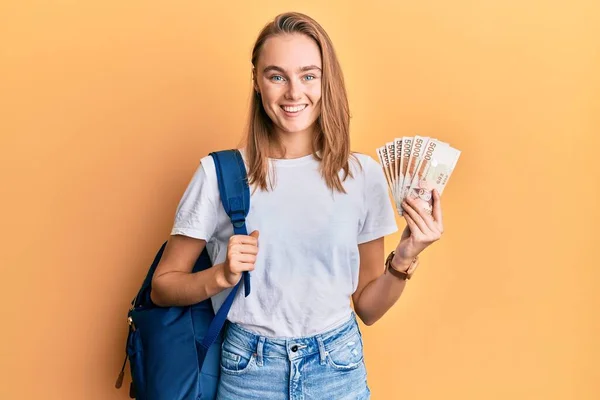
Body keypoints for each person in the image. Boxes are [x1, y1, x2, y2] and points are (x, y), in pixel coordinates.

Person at [150, 11, 445, 400]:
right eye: (277, 76)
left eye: (308, 75)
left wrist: (406, 256)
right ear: (256, 82)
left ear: (327, 82)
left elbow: (368, 309)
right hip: (247, 370)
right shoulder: (218, 174)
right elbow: (162, 288)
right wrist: (220, 276)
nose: (293, 92)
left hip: (338, 367)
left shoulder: (362, 175)